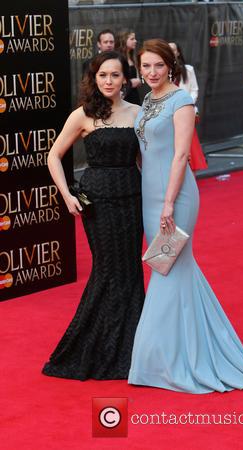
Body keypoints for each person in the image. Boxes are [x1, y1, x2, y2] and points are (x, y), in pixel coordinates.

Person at [128, 39, 243, 394]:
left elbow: (181, 155)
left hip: (176, 198)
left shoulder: (181, 101)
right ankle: (191, 350)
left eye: (158, 65)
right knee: (176, 271)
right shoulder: (147, 100)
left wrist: (168, 203)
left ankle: (162, 362)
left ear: (171, 66)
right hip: (149, 197)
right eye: (145, 66)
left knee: (166, 271)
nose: (151, 72)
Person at [42, 51, 145, 381]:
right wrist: (66, 195)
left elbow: (149, 161)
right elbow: (54, 156)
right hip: (98, 202)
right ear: (94, 78)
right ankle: (96, 348)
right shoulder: (83, 115)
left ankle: (132, 350)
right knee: (107, 270)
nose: (109, 81)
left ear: (125, 80)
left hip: (132, 198)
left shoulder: (138, 114)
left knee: (130, 270)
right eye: (103, 75)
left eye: (115, 75)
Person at [169, 41, 207, 172]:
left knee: (190, 143)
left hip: (186, 111)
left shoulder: (188, 70)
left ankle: (192, 170)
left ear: (178, 52)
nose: (171, 52)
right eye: (168, 49)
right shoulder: (163, 71)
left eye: (173, 49)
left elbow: (194, 89)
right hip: (169, 113)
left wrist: (186, 103)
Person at [115, 29, 141, 105]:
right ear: (123, 40)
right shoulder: (117, 58)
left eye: (135, 39)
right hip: (123, 97)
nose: (135, 41)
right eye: (132, 39)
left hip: (134, 96)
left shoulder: (132, 57)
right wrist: (131, 83)